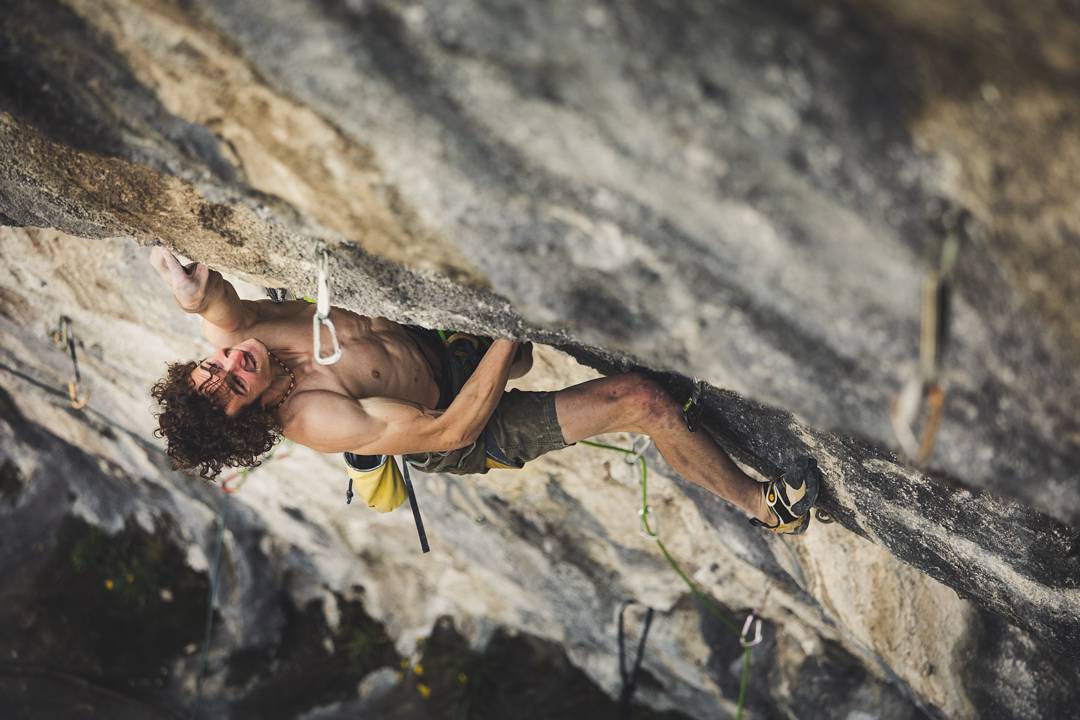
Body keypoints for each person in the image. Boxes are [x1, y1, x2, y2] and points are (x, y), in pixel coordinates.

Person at [148, 247, 819, 534]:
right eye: (234, 382)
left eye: (214, 366)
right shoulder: (314, 417)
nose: (233, 361)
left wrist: (194, 291)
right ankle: (766, 508)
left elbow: (218, 307)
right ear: (250, 416)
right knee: (643, 401)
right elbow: (450, 432)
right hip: (454, 424)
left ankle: (514, 356)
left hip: (432, 345)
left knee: (518, 357)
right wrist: (508, 324)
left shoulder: (246, 337)